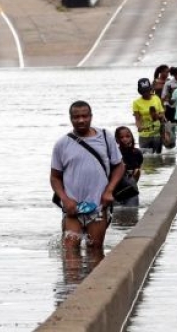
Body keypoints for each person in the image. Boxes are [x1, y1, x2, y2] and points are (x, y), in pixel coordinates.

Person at [50, 100, 126, 252]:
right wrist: (65, 199)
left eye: (85, 116)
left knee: (95, 250)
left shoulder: (105, 137)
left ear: (91, 117)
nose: (81, 120)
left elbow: (119, 166)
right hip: (73, 209)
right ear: (70, 118)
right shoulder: (62, 144)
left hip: (98, 207)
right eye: (76, 117)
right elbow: (55, 177)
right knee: (70, 252)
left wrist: (109, 190)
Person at [132, 78, 166, 153]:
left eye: (147, 90)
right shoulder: (136, 103)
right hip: (144, 135)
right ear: (140, 91)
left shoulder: (156, 98)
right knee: (146, 159)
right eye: (143, 91)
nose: (146, 93)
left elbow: (162, 113)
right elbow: (137, 119)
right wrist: (139, 127)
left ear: (150, 89)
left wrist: (158, 116)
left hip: (157, 134)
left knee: (157, 157)